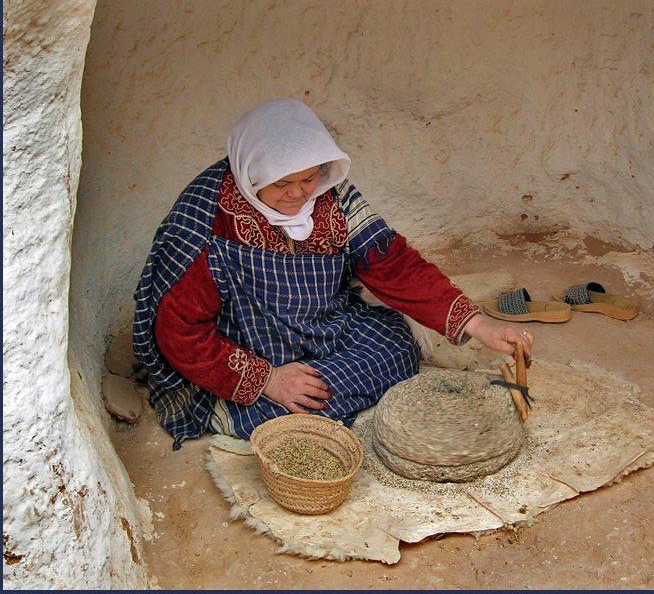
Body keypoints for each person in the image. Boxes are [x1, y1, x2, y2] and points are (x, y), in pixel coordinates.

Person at [132, 98, 534, 450]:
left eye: (308, 178)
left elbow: (391, 264)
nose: (298, 193)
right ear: (250, 172)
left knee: (398, 348)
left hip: (327, 328)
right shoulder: (205, 219)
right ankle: (244, 407)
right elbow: (179, 331)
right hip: (249, 347)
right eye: (281, 183)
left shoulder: (331, 195)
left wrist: (479, 325)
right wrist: (268, 380)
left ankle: (294, 404)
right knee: (286, 399)